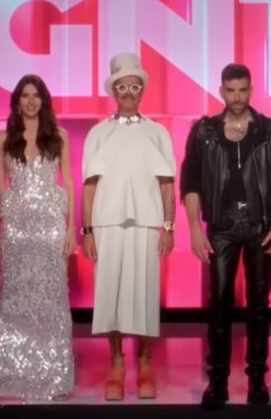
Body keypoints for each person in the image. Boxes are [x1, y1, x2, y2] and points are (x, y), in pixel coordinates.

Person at [180, 63, 271, 408]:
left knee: (259, 303)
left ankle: (257, 378)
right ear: (221, 91)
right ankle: (218, 380)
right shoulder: (204, 132)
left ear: (251, 90)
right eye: (231, 90)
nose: (237, 97)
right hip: (222, 225)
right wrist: (194, 229)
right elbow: (191, 181)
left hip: (261, 224)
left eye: (243, 90)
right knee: (219, 302)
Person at [80, 53, 176, 401]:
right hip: (107, 223)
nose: (129, 93)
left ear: (142, 90)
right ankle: (116, 363)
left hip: (146, 223)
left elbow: (167, 183)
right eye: (123, 87)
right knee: (111, 294)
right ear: (114, 91)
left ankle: (145, 363)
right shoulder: (98, 133)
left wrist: (169, 227)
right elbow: (89, 185)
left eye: (135, 87)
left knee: (145, 293)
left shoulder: (157, 132)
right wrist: (87, 231)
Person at [0, 74, 75, 402]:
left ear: (44, 100)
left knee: (51, 302)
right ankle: (6, 378)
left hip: (50, 229)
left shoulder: (59, 136)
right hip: (16, 230)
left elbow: (68, 182)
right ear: (17, 101)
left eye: (36, 95)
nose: (31, 101)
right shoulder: (2, 138)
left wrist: (71, 228)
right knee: (13, 301)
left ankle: (55, 378)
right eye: (25, 95)